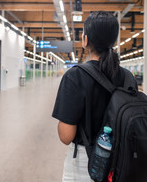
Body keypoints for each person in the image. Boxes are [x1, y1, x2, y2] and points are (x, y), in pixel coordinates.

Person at [52, 11, 137, 182]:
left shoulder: (75, 76)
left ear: (85, 39)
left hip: (87, 164)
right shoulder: (128, 76)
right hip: (123, 162)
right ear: (113, 40)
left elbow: (66, 137)